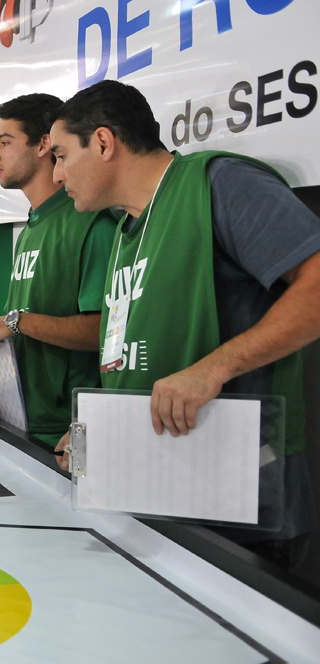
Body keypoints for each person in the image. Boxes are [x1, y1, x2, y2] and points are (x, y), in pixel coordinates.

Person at [49, 79, 320, 567]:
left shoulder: (217, 182)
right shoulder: (125, 231)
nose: (56, 174)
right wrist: (101, 433)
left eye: (63, 155)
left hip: (243, 509)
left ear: (105, 142)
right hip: (164, 495)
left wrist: (213, 368)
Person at [0, 94, 117, 447]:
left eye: (5, 143)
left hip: (67, 437)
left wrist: (14, 322)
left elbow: (107, 333)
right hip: (18, 426)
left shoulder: (90, 221)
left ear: (44, 144)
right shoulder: (30, 230)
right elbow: (14, 332)